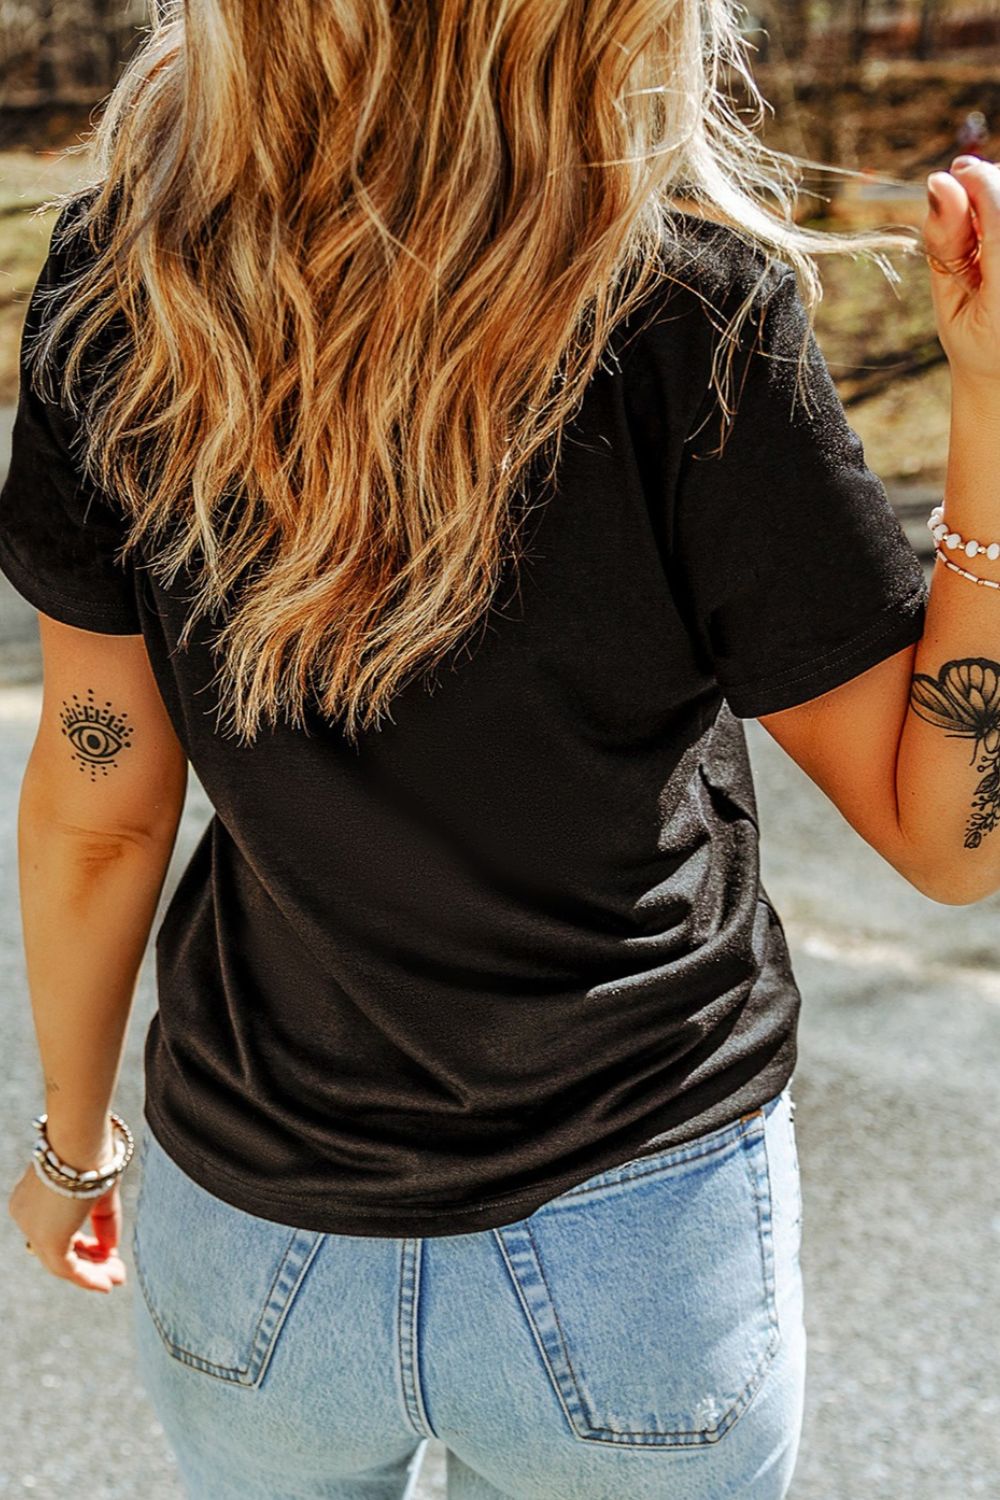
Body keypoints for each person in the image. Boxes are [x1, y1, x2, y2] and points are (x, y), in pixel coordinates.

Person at [3, 3, 999, 1497]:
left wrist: (71, 1149)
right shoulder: (688, 315)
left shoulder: (128, 278)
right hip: (638, 1256)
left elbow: (101, 813)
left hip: (257, 1243)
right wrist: (991, 402)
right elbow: (952, 837)